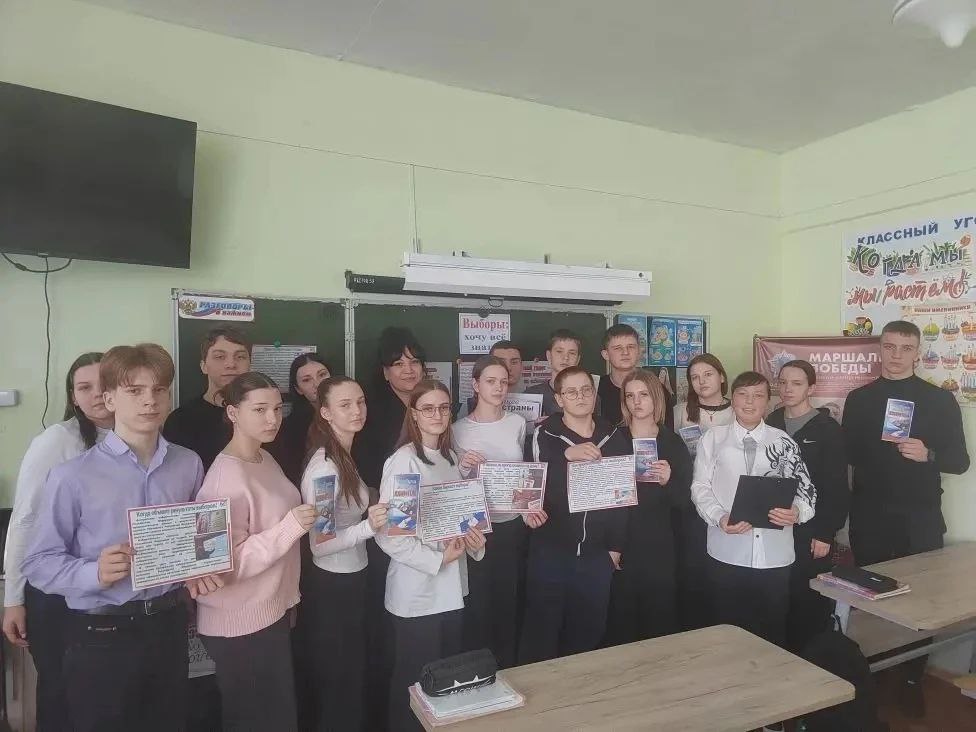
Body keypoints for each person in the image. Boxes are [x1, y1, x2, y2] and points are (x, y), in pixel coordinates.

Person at [21, 344, 214, 732]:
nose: (149, 400)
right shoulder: (72, 476)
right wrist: (94, 572)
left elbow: (197, 537)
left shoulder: (188, 463)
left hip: (168, 624)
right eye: (134, 391)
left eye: (159, 390)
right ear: (109, 399)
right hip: (100, 632)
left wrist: (204, 564)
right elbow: (38, 562)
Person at [843, 319, 969, 717]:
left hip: (920, 518)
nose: (896, 355)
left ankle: (913, 679)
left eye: (905, 348)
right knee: (871, 598)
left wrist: (928, 454)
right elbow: (847, 455)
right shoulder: (859, 399)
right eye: (889, 346)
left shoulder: (939, 400)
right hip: (870, 517)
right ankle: (876, 675)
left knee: (921, 601)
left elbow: (960, 462)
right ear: (880, 348)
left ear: (918, 353)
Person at [195, 372, 317, 732]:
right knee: (255, 719)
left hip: (269, 612)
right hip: (240, 623)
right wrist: (289, 527)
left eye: (277, 409)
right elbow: (221, 564)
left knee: (277, 716)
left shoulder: (263, 458)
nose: (272, 419)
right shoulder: (224, 478)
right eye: (260, 410)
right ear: (233, 413)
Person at [3, 352, 113, 732]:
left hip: (103, 592)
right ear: (73, 396)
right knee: (60, 695)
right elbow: (25, 519)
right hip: (54, 594)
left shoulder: (138, 437)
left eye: (104, 384)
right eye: (85, 387)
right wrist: (13, 599)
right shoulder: (57, 441)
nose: (97, 394)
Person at [376, 380, 486, 732]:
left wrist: (474, 542)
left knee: (442, 683)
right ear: (413, 414)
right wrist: (438, 560)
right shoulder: (405, 462)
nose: (437, 415)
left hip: (451, 593)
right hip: (418, 596)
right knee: (413, 685)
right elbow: (392, 537)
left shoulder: (451, 459)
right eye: (428, 408)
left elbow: (462, 523)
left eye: (443, 407)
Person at [690, 371, 816, 652]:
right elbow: (700, 488)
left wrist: (797, 512)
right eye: (743, 395)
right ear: (732, 399)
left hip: (774, 556)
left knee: (771, 634)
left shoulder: (783, 442)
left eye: (758, 395)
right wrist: (719, 517)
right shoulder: (713, 439)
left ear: (768, 402)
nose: (750, 402)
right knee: (726, 634)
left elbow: (807, 491)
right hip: (727, 552)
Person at [518, 366, 630, 664]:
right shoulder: (544, 435)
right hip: (551, 552)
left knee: (589, 633)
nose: (580, 397)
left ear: (594, 394)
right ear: (559, 399)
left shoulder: (613, 436)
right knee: (543, 633)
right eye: (571, 392)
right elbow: (536, 484)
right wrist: (566, 457)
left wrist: (615, 549)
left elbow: (622, 499)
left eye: (586, 390)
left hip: (597, 555)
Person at [301, 376, 387, 731]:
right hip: (333, 585)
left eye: (361, 401)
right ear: (325, 413)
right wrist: (369, 527)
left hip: (353, 576)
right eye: (345, 405)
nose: (357, 411)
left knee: (352, 672)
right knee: (339, 676)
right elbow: (319, 544)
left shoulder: (344, 455)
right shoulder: (325, 469)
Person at [351, 326, 427, 732]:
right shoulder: (372, 413)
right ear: (384, 372)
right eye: (398, 363)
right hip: (385, 530)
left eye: (414, 361)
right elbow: (361, 473)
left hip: (426, 533)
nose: (408, 370)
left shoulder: (430, 406)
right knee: (388, 628)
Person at [766, 360, 849, 652]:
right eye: (783, 382)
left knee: (807, 599)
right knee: (777, 597)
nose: (788, 389)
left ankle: (809, 659)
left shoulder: (827, 429)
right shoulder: (771, 422)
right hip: (774, 526)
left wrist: (825, 532)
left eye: (797, 383)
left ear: (811, 388)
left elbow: (836, 487)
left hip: (811, 531)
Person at [605, 370, 692, 645]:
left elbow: (684, 501)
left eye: (643, 395)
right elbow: (600, 497)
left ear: (656, 398)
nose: (636, 402)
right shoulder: (612, 439)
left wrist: (668, 481)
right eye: (630, 396)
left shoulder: (672, 443)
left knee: (659, 618)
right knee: (621, 619)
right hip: (620, 542)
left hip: (659, 544)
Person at [452, 356, 528, 668]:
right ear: (475, 385)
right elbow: (451, 481)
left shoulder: (517, 423)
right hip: (476, 529)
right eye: (490, 381)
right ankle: (478, 672)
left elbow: (524, 474)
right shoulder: (457, 430)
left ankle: (508, 669)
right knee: (478, 603)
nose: (498, 388)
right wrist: (462, 466)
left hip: (512, 525)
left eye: (503, 382)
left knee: (509, 602)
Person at [671, 352, 734, 630]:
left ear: (721, 377)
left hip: (728, 500)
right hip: (690, 501)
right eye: (695, 377)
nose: (702, 381)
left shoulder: (738, 409)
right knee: (693, 565)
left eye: (708, 374)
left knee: (722, 568)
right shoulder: (680, 411)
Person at [163, 326, 252, 470]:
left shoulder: (264, 417)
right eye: (220, 357)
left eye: (240, 357)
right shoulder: (181, 421)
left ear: (250, 364)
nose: (231, 364)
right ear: (203, 366)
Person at [269, 353, 331, 487]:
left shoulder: (354, 416)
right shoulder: (289, 430)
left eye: (322, 375)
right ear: (298, 389)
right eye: (306, 380)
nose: (317, 384)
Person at [525, 329, 584, 418]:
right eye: (559, 351)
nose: (566, 357)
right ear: (549, 356)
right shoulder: (531, 395)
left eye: (572, 353)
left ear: (578, 360)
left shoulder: (587, 396)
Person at [461, 340, 524, 416]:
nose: (508, 368)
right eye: (501, 362)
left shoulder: (535, 398)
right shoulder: (469, 406)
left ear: (522, 366)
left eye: (514, 362)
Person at [596, 323, 641, 426]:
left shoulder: (655, 388)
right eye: (618, 348)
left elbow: (666, 430)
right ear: (606, 354)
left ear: (639, 351)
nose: (625, 352)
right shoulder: (595, 389)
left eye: (631, 347)